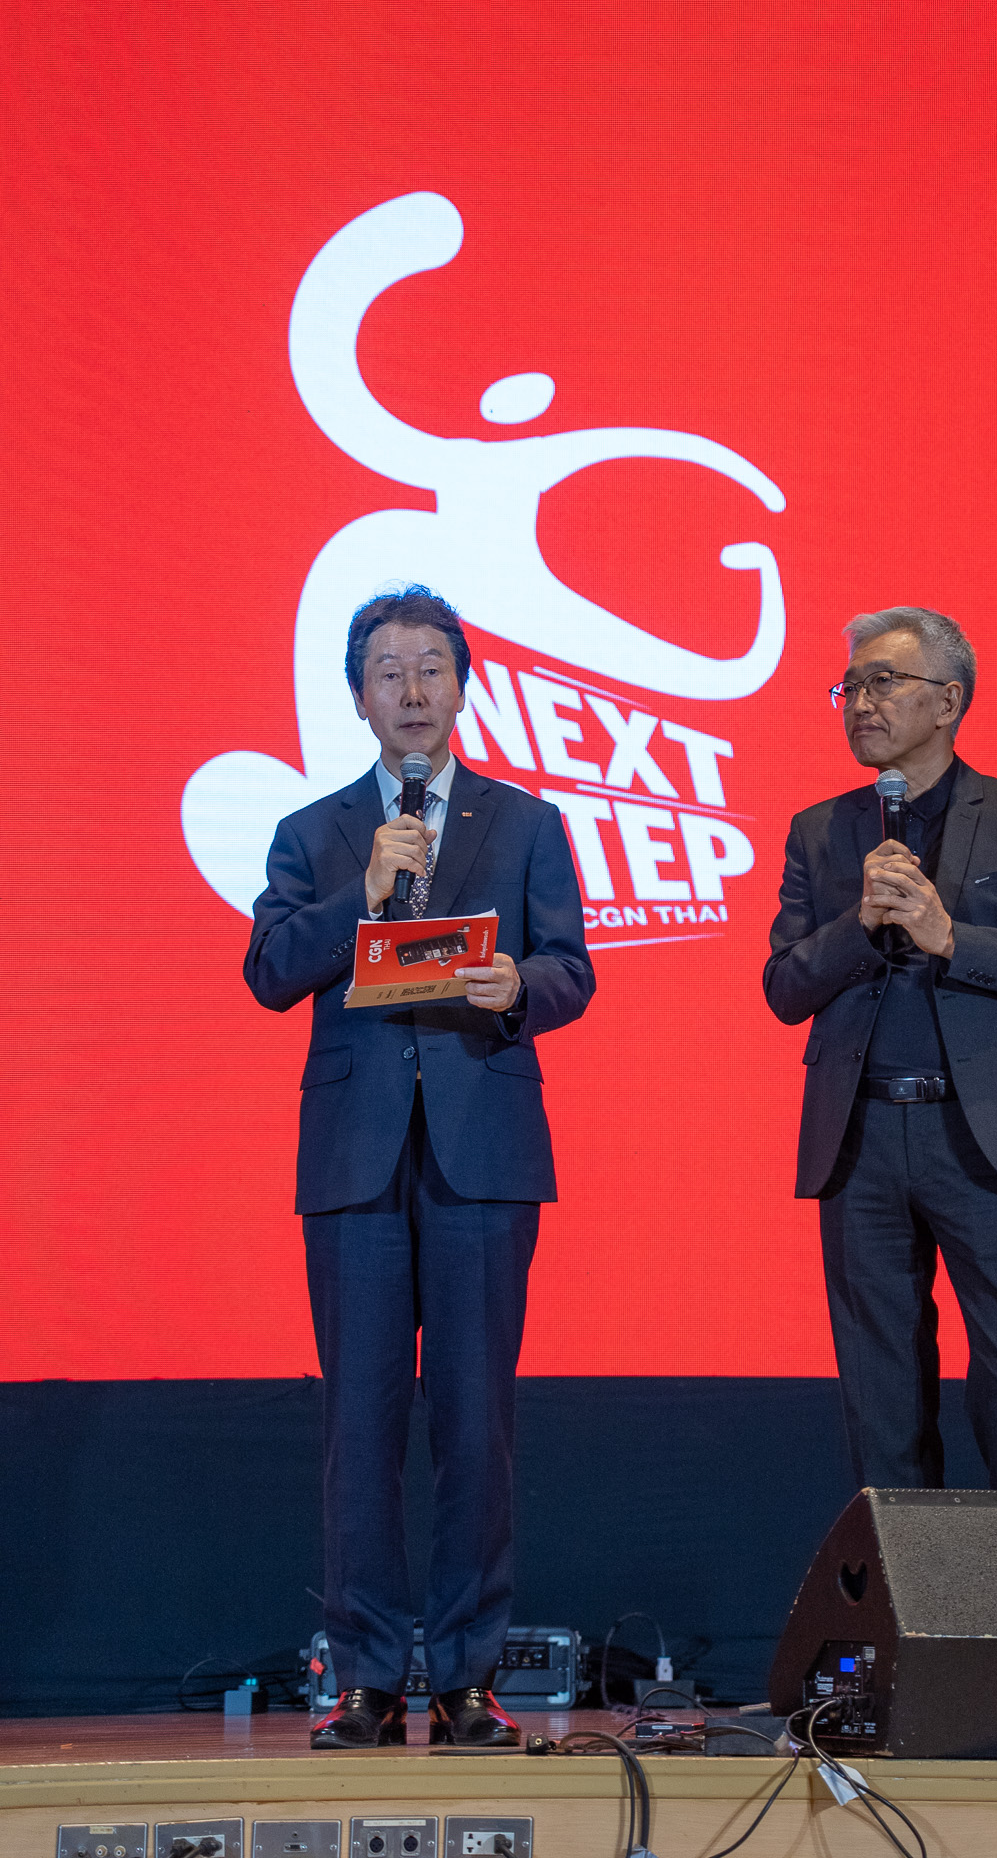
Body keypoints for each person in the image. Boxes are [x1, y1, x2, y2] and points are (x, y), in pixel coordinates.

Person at [245, 585, 594, 1750]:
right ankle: (366, 1679)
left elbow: (573, 967)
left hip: (481, 1153)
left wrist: (520, 986)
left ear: (463, 686)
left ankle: (465, 1679)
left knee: (476, 1422)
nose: (412, 690)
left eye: (432, 667)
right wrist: (362, 891)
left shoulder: (526, 822)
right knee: (361, 1423)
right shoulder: (315, 832)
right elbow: (269, 969)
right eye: (389, 670)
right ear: (358, 696)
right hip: (354, 1162)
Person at [763, 607, 997, 1492]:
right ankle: (910, 1577)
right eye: (849, 687)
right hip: (861, 1140)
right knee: (881, 1395)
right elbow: (784, 988)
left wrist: (951, 937)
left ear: (949, 701)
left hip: (981, 1134)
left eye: (883, 682)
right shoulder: (818, 829)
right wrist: (858, 925)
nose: (860, 704)